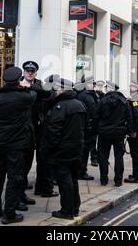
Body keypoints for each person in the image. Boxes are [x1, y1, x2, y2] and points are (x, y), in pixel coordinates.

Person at [0, 67, 37, 224]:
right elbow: (35, 95)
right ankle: (9, 213)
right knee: (14, 178)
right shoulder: (24, 97)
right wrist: (27, 86)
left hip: (0, 143)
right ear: (18, 80)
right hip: (16, 145)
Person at [43, 78, 86, 220]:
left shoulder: (60, 107)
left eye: (57, 89)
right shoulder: (79, 105)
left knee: (64, 180)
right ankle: (74, 208)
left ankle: (67, 210)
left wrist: (49, 149)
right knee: (73, 179)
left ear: (62, 89)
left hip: (62, 150)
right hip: (76, 148)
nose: (55, 91)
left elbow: (53, 131)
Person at [21, 61, 57, 202]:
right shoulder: (18, 84)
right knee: (25, 159)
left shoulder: (39, 84)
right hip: (24, 127)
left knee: (43, 158)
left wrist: (32, 87)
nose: (30, 73)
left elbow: (49, 95)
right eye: (28, 71)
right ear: (24, 72)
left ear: (36, 72)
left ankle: (41, 186)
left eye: (32, 71)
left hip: (39, 127)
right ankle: (21, 185)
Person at [93, 81, 133, 187]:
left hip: (104, 133)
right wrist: (129, 131)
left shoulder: (102, 101)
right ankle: (118, 181)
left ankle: (103, 179)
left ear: (108, 88)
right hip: (119, 133)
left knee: (103, 157)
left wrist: (95, 130)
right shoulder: (124, 101)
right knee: (119, 157)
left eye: (106, 87)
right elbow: (129, 118)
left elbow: (96, 117)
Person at [75, 76, 98, 181]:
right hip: (86, 127)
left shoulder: (88, 94)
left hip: (86, 126)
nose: (94, 85)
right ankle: (81, 171)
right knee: (84, 150)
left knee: (84, 149)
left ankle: (81, 170)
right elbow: (92, 111)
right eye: (92, 83)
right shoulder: (86, 95)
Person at [125, 81, 138, 184]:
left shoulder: (135, 100)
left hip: (136, 131)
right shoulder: (136, 99)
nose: (130, 87)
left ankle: (136, 176)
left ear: (137, 89)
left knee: (136, 153)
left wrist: (133, 130)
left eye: (132, 86)